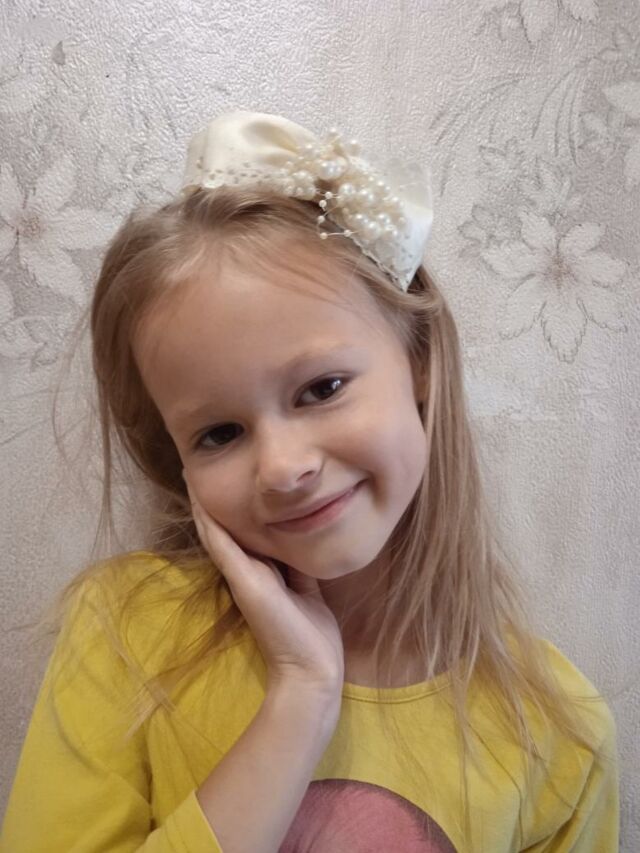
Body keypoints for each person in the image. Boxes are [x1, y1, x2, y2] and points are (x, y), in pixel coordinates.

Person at [1, 111, 619, 852]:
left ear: (420, 360)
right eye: (219, 433)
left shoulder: (558, 731)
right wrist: (301, 693)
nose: (283, 467)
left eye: (322, 388)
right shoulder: (127, 631)